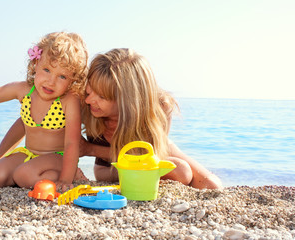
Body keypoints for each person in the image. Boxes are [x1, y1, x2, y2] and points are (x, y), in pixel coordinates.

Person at [0, 32, 89, 190]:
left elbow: (72, 143)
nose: (51, 81)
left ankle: (73, 174)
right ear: (36, 63)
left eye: (62, 77)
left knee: (23, 175)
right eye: (47, 70)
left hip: (58, 158)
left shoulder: (69, 100)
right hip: (29, 153)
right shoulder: (24, 90)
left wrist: (66, 179)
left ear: (73, 80)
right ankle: (34, 176)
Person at [81, 48, 222, 189]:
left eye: (102, 96)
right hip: (108, 168)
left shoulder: (160, 107)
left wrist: (91, 149)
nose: (89, 100)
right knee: (181, 172)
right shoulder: (83, 104)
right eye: (90, 88)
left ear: (128, 101)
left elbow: (148, 157)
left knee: (212, 185)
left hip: (156, 151)